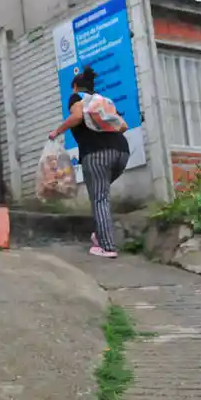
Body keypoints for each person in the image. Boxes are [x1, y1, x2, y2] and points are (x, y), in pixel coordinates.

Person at [49, 66, 130, 258]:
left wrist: (57, 131)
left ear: (76, 87)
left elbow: (77, 116)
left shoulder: (77, 98)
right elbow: (123, 126)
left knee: (99, 197)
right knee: (100, 193)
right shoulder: (103, 101)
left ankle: (107, 247)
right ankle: (101, 234)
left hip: (97, 154)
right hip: (121, 153)